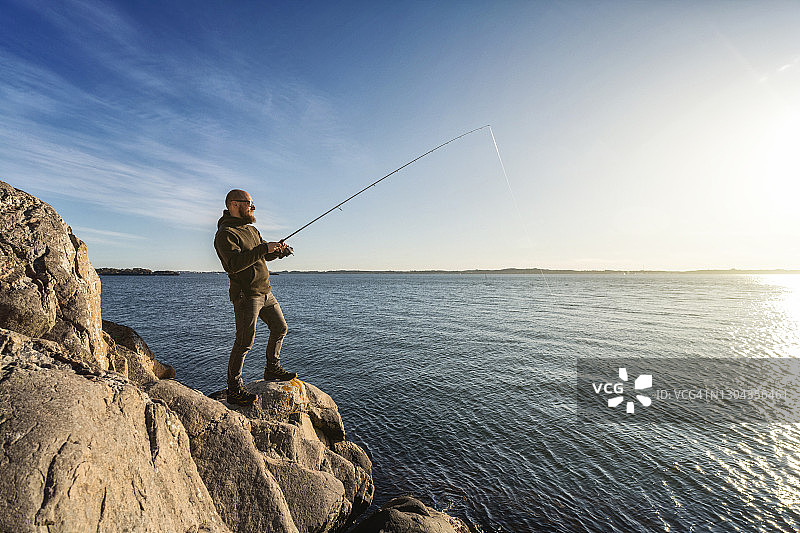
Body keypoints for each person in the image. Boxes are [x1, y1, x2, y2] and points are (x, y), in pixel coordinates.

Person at [214, 189, 296, 405]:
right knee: (244, 342)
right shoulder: (225, 234)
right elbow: (234, 265)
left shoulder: (251, 230)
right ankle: (234, 389)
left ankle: (272, 369)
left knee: (280, 328)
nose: (253, 207)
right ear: (234, 204)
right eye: (249, 203)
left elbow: (263, 254)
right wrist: (262, 249)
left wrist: (278, 251)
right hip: (246, 296)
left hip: (265, 292)